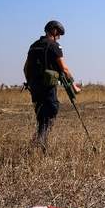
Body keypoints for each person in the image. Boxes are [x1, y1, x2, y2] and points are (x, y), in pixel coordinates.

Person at [23, 20, 81, 149]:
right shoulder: (54, 46)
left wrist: (31, 83)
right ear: (54, 31)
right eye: (59, 34)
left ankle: (38, 142)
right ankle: (39, 141)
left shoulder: (33, 45)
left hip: (34, 86)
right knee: (51, 111)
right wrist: (74, 86)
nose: (59, 37)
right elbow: (64, 69)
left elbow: (26, 67)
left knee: (41, 115)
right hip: (47, 86)